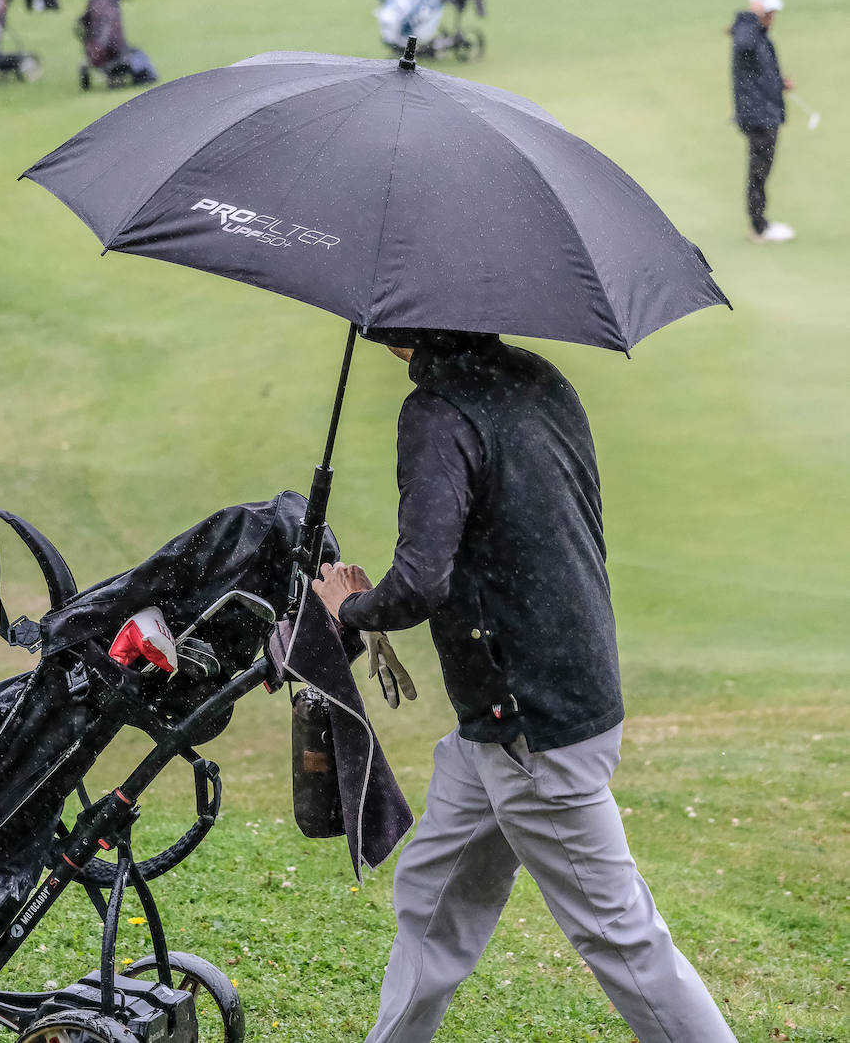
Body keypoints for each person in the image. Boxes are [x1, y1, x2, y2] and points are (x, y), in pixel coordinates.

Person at [313, 329, 738, 1043]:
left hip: (529, 726)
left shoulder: (437, 413)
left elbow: (420, 581)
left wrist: (348, 608)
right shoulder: (539, 378)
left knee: (622, 939)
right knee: (433, 896)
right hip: (545, 700)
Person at [730, 0, 795, 243]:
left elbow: (760, 74)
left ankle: (760, 224)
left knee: (761, 171)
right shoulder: (748, 31)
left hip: (765, 113)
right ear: (757, 9)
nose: (772, 17)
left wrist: (780, 83)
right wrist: (752, 14)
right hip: (758, 117)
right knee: (758, 173)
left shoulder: (760, 35)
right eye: (767, 11)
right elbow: (742, 42)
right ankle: (759, 227)